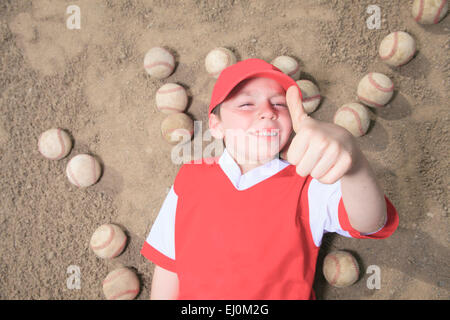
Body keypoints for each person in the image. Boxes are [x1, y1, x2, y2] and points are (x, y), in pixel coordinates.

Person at [140, 58, 399, 300]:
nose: (267, 112)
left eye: (279, 104)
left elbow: (371, 222)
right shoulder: (191, 175)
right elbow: (168, 263)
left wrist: (352, 158)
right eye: (246, 104)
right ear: (216, 125)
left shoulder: (306, 183)